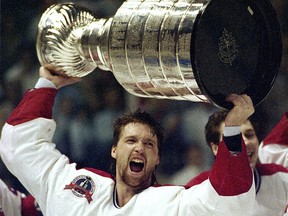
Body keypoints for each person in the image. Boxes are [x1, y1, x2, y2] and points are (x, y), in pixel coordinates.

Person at [0, 66, 256, 215]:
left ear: (157, 160)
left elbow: (230, 204)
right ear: (114, 150)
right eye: (131, 140)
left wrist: (232, 130)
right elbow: (19, 147)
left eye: (149, 144)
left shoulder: (172, 205)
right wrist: (47, 84)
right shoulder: (77, 188)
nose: (139, 148)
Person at [187, 110, 288, 216]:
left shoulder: (281, 177)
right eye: (235, 138)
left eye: (249, 135)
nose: (246, 142)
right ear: (216, 148)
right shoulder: (197, 189)